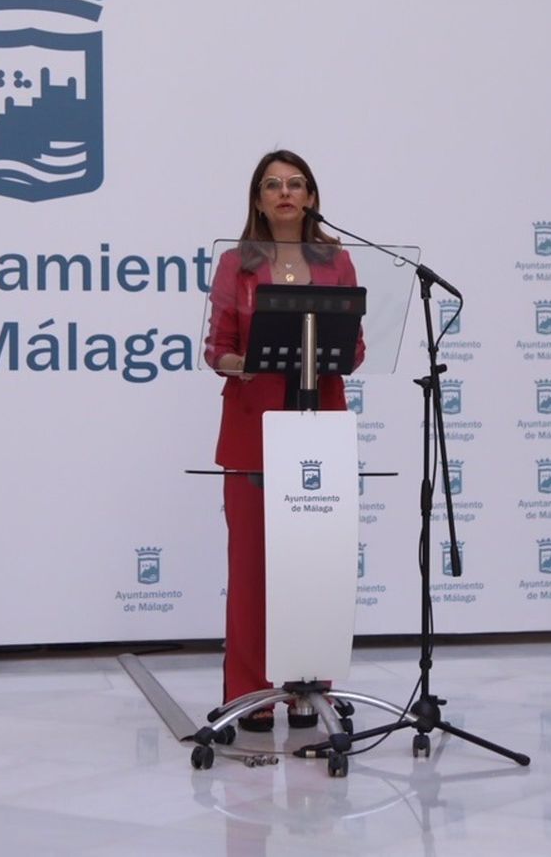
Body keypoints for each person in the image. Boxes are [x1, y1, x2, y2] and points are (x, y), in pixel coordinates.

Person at [204, 149, 363, 731]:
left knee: (315, 562)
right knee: (252, 566)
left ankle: (307, 688)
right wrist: (238, 361)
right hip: (253, 429)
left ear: (313, 197)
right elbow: (214, 348)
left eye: (296, 184)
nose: (285, 193)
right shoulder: (236, 264)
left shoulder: (337, 262)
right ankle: (251, 692)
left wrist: (336, 349)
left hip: (319, 426)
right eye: (272, 185)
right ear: (258, 199)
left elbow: (358, 348)